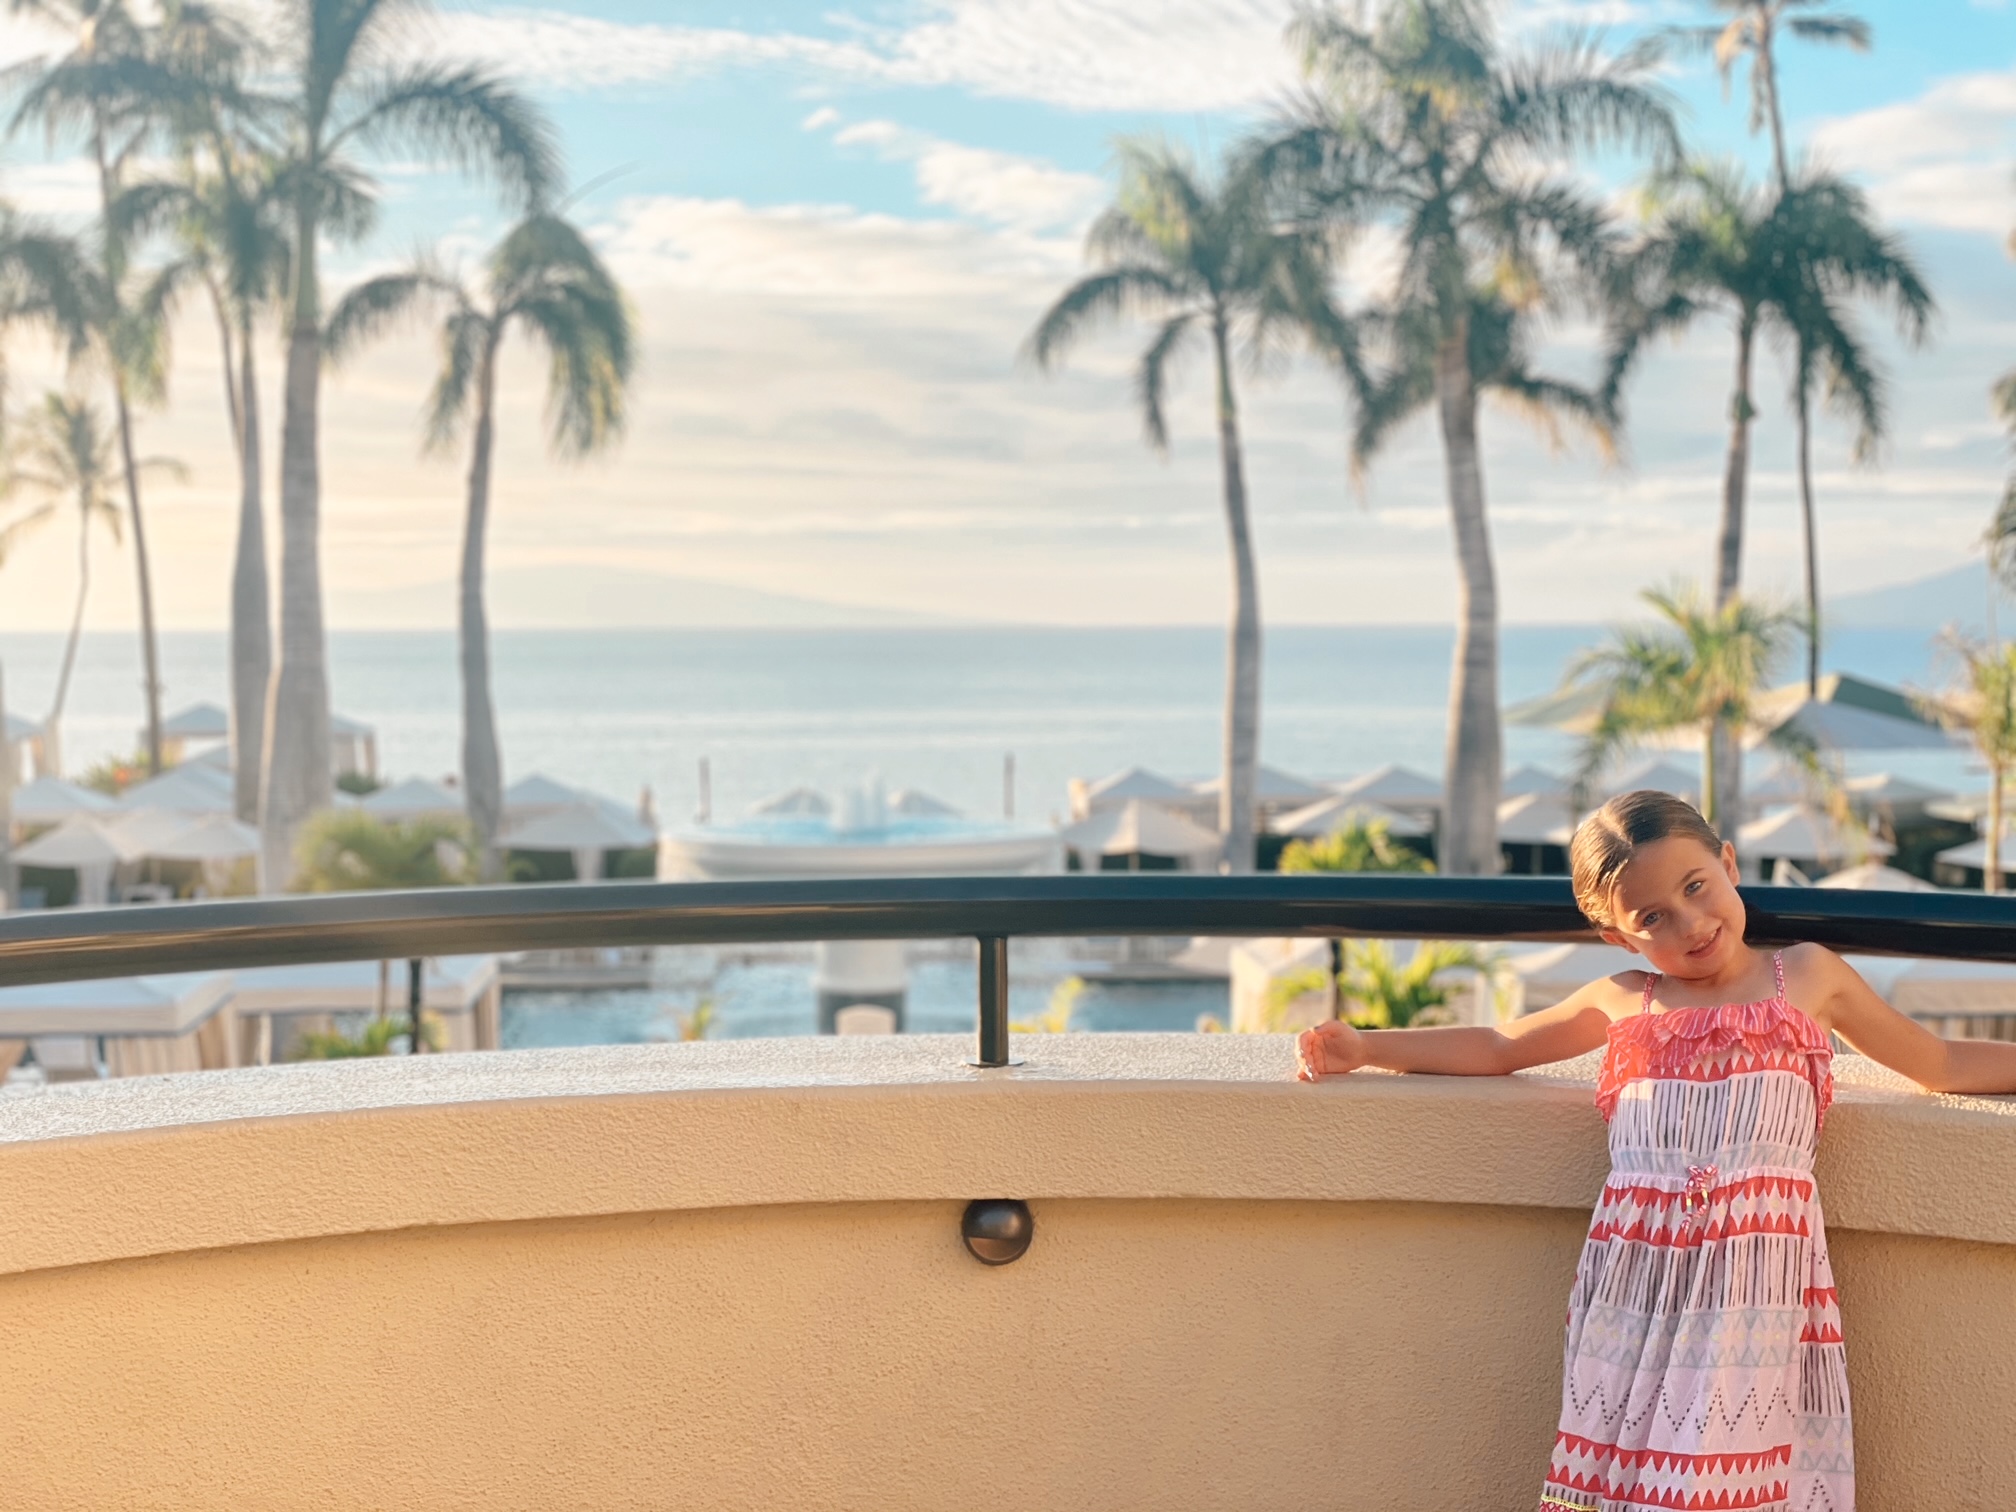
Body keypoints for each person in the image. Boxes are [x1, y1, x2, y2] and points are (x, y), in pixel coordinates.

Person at [1294, 789, 2016, 1512]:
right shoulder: (1623, 999)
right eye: (1653, 918)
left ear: (1729, 863)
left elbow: (1938, 1063)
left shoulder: (1804, 976)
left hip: (1752, 1285)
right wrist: (1366, 1047)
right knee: (1627, 1479)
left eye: (1696, 886)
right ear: (1619, 936)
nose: (1692, 923)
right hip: (1635, 1286)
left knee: (1725, 1477)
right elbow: (1498, 1044)